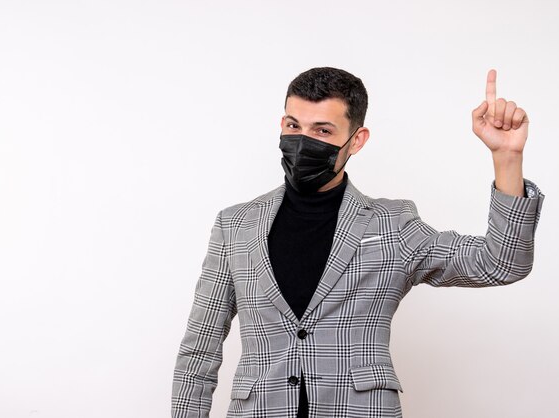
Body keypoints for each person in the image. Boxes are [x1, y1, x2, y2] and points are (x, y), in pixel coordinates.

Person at [171, 67, 544, 418]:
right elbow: (199, 347)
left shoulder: (392, 224)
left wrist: (507, 159)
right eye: (293, 125)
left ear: (357, 140)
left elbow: (502, 262)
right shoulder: (235, 224)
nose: (302, 142)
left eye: (322, 131)